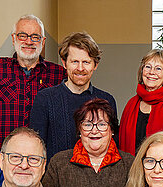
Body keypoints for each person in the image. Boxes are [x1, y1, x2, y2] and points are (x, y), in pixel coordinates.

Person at [0, 14, 66, 150]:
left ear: (42, 41)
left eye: (35, 37)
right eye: (22, 36)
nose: (29, 42)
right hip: (7, 155)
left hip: (43, 155)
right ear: (14, 39)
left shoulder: (58, 73)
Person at [29, 32, 118, 160]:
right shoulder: (44, 99)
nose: (80, 68)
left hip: (97, 172)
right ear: (64, 63)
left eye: (86, 62)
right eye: (75, 61)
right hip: (55, 172)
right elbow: (36, 147)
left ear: (95, 65)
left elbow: (113, 147)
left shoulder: (107, 100)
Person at [119, 49, 163, 155]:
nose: (151, 72)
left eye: (158, 68)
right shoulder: (131, 104)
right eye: (148, 67)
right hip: (131, 164)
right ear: (142, 71)